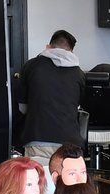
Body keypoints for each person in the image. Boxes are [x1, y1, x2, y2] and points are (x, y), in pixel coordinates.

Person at [17, 29, 85, 163]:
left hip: (37, 138)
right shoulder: (79, 73)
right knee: (67, 181)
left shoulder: (31, 66)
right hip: (71, 142)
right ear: (71, 51)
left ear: (48, 46)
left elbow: (22, 108)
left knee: (40, 181)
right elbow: (77, 106)